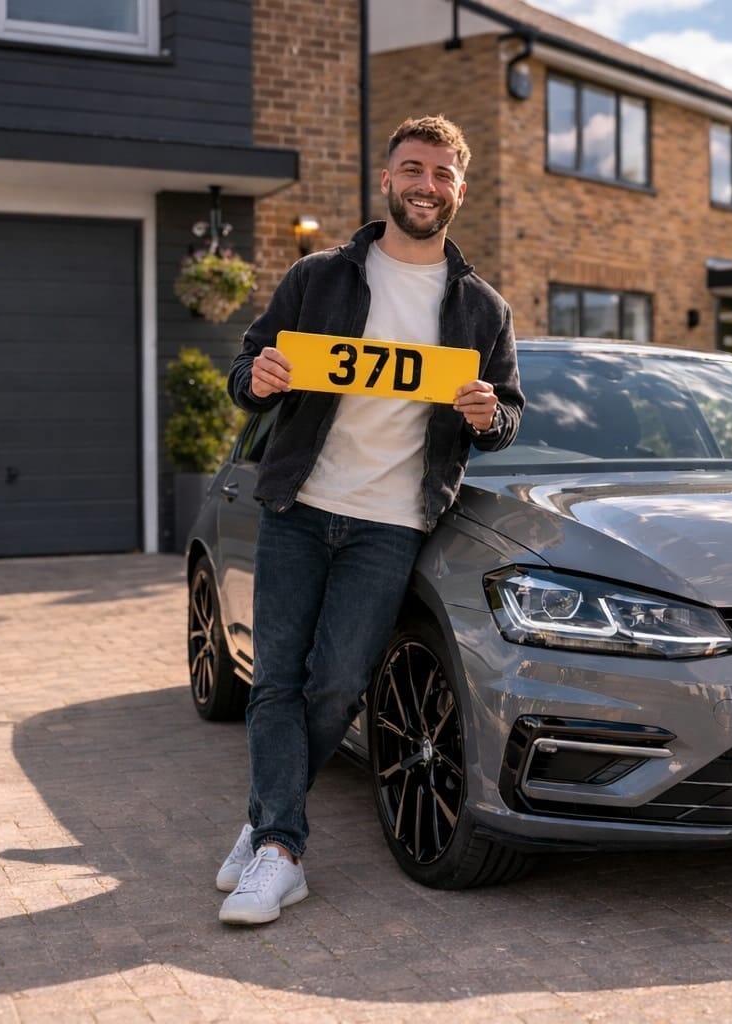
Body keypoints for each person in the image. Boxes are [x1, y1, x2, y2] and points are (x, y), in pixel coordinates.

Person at [216, 115, 522, 926]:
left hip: (391, 524)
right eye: (412, 169)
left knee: (340, 683)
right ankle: (282, 849)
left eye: (442, 174)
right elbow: (245, 368)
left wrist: (490, 415)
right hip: (299, 508)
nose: (426, 185)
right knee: (276, 679)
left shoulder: (482, 309)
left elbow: (508, 418)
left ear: (460, 187)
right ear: (387, 179)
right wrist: (263, 376)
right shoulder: (320, 277)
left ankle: (263, 820)